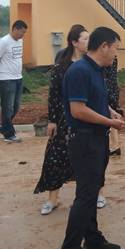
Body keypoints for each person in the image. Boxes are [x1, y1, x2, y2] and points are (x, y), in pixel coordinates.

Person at [56, 27, 125, 249]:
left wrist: (111, 112)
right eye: (116, 48)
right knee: (86, 196)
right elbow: (77, 110)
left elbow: (94, 100)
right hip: (84, 141)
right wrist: (110, 123)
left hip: (97, 140)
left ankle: (92, 238)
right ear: (104, 46)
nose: (116, 53)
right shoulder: (79, 71)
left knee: (91, 190)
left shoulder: (97, 70)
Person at [34, 25, 88, 215]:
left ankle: (90, 197)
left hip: (86, 119)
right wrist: (52, 120)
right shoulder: (61, 66)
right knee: (56, 158)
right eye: (85, 39)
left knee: (87, 160)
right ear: (74, 42)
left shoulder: (91, 64)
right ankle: (52, 200)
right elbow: (54, 95)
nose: (89, 42)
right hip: (65, 119)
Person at [0, 20, 28, 143]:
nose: (23, 35)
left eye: (25, 33)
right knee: (7, 107)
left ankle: (4, 128)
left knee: (16, 106)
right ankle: (9, 134)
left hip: (18, 77)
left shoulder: (20, 41)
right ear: (15, 29)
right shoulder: (4, 42)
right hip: (6, 79)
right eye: (22, 32)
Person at [99, 54, 122, 209]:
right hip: (110, 91)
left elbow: (109, 79)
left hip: (109, 93)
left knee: (111, 119)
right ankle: (114, 146)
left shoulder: (107, 58)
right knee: (112, 119)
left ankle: (114, 146)